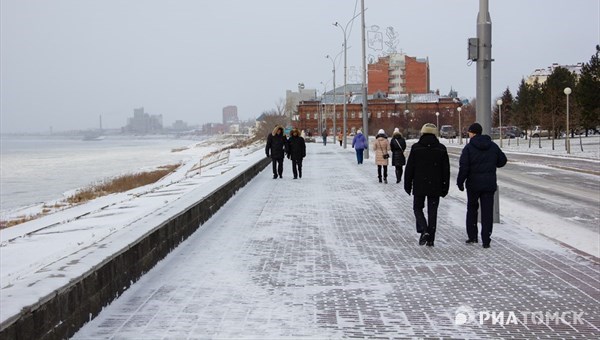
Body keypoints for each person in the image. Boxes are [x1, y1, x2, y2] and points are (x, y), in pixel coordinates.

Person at [456, 123, 507, 248]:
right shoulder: (492, 146)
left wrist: (460, 182)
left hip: (473, 185)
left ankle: (473, 236)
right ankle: (486, 239)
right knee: (487, 212)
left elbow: (464, 167)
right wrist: (491, 164)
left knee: (472, 210)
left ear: (472, 133)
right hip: (489, 184)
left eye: (469, 132)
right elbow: (502, 160)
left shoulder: (468, 148)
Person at [404, 123, 450, 247]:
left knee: (417, 208)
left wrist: (407, 184)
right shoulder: (441, 148)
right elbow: (446, 170)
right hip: (436, 186)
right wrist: (445, 187)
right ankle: (431, 239)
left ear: (422, 133)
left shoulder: (416, 148)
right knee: (433, 212)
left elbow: (410, 168)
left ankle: (424, 230)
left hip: (419, 184)